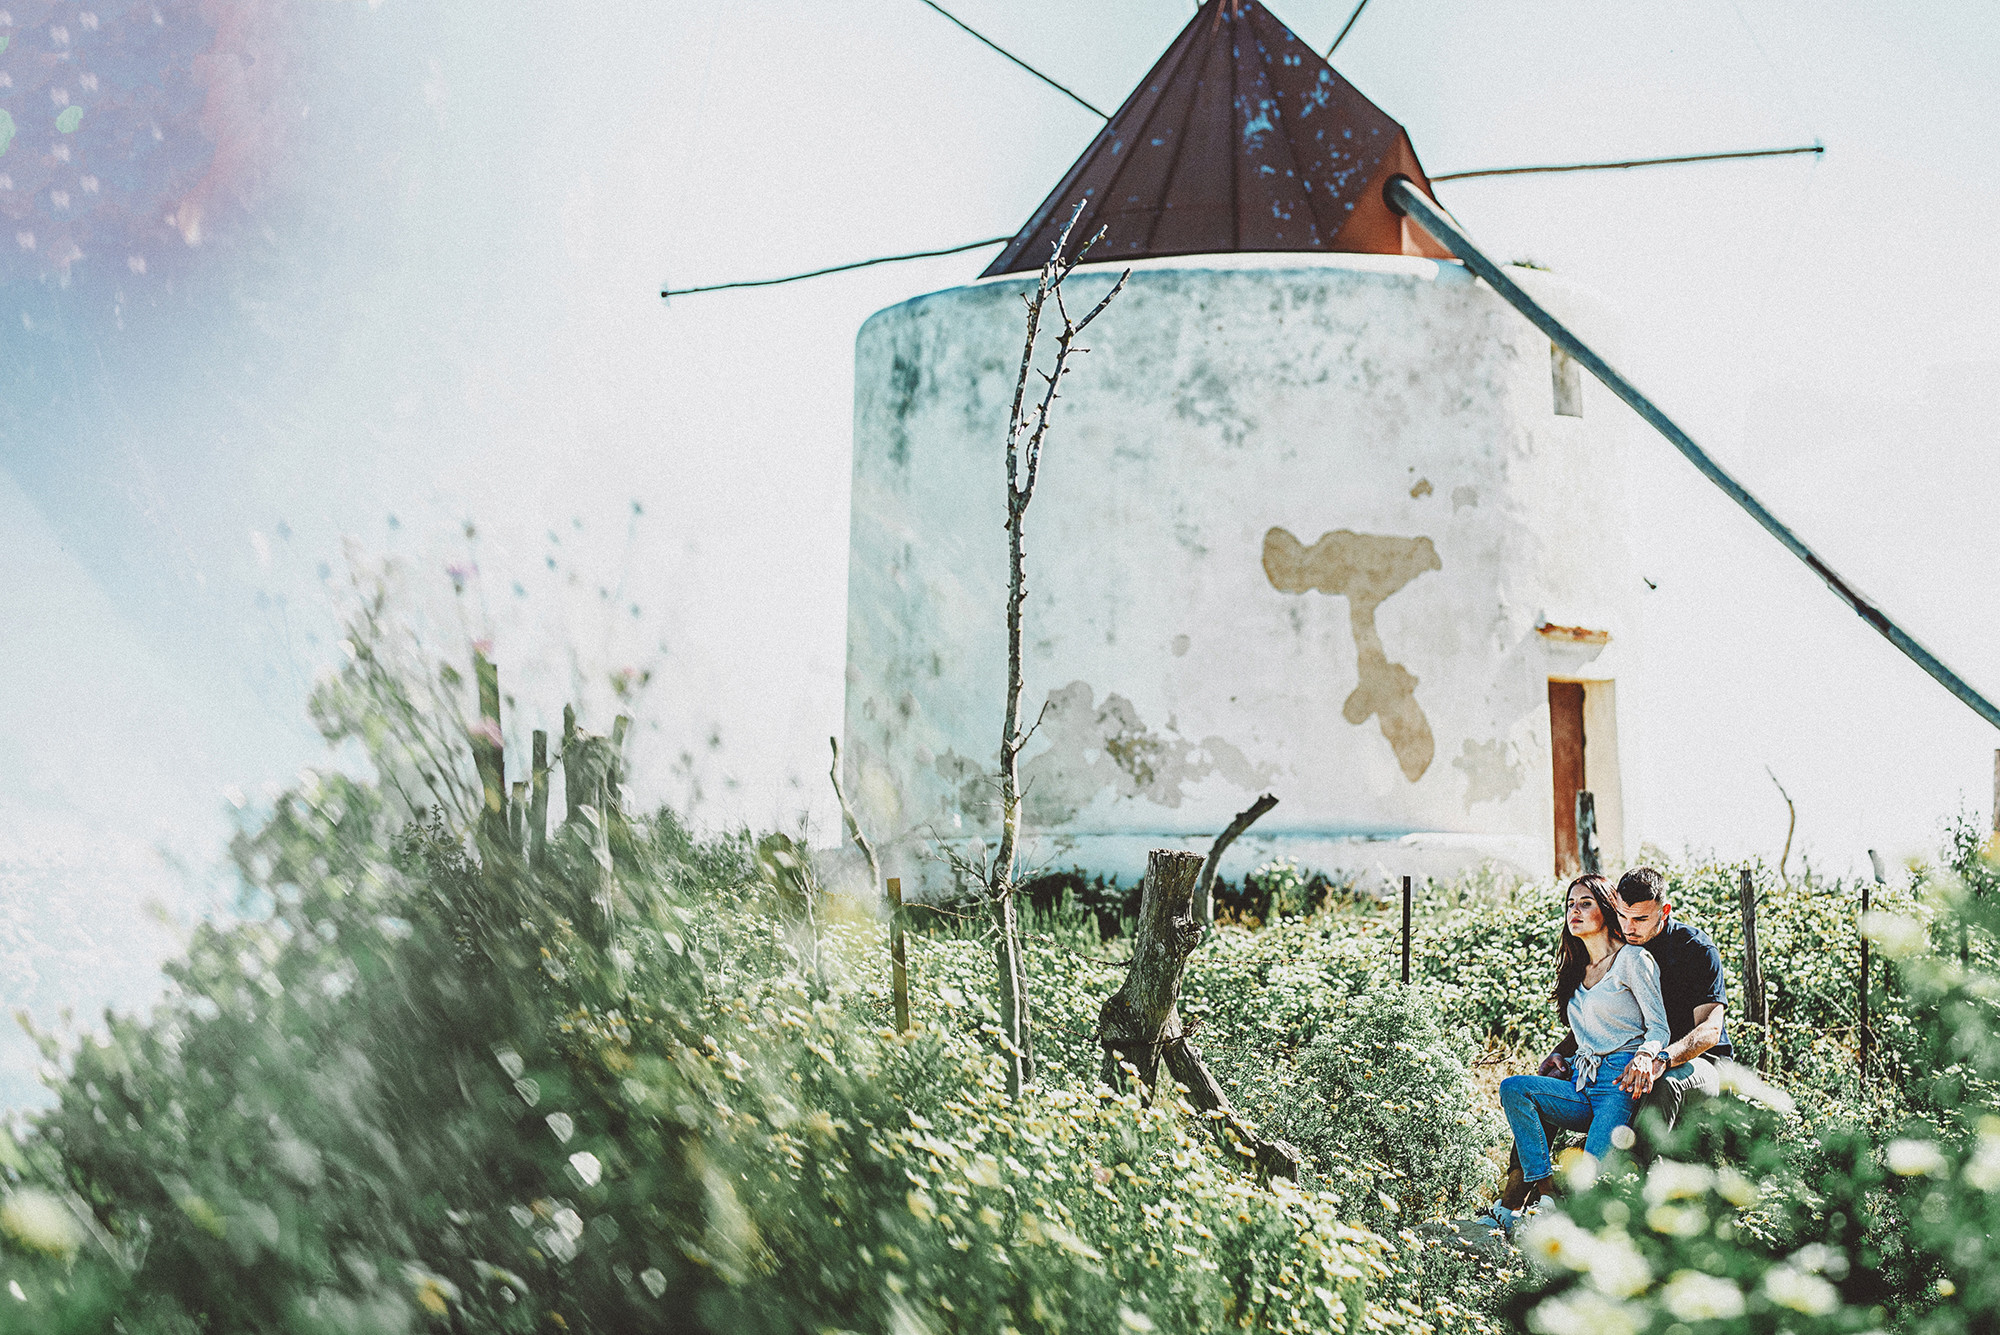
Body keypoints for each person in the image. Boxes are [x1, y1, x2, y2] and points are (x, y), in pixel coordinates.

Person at [1495, 873, 1669, 1209]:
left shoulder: (1633, 960)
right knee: (1514, 1089)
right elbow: (1582, 1032)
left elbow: (1659, 1028)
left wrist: (1646, 1056)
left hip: (1619, 1082)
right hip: (1580, 1078)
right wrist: (1558, 1054)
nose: (1574, 911)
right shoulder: (1578, 968)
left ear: (1607, 909)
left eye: (1585, 904)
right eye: (1570, 904)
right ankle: (1545, 1193)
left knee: (1590, 1184)